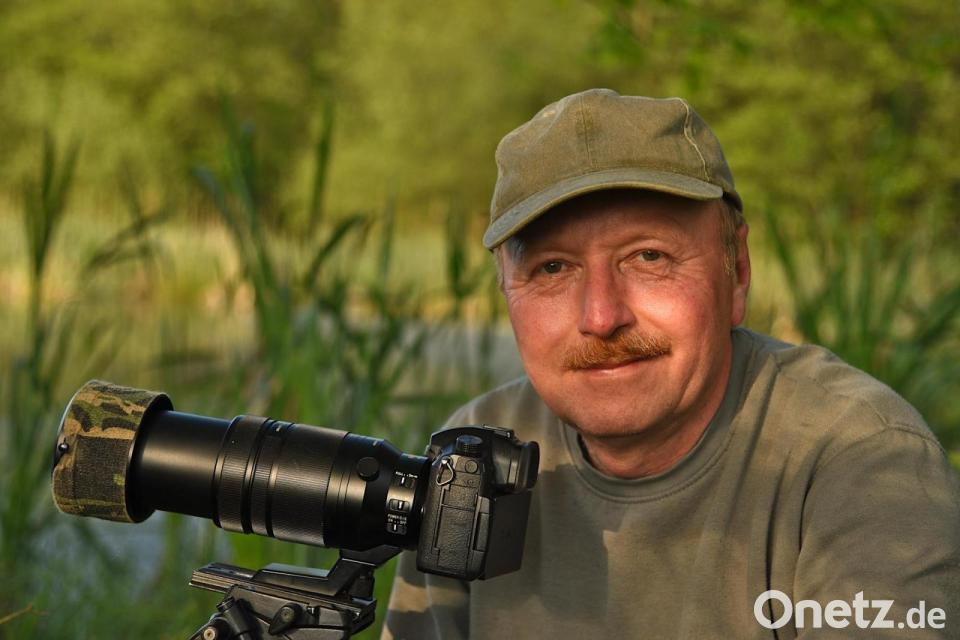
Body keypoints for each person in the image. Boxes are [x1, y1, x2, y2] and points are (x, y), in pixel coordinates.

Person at [382, 89, 960, 638]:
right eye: (552, 268)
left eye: (648, 256)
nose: (601, 316)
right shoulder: (475, 454)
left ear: (737, 272)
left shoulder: (861, 459)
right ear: (506, 289)